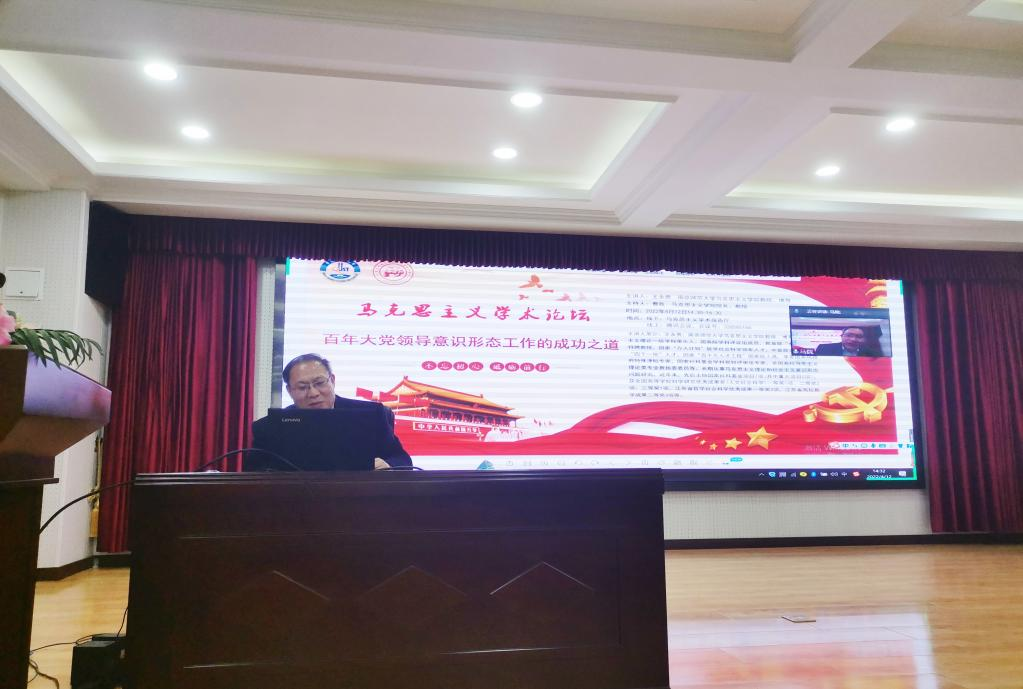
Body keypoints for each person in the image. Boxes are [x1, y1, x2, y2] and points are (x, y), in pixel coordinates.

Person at [251, 353, 412, 469]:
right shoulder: (269, 427)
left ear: (332, 381)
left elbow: (402, 460)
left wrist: (388, 465)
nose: (313, 393)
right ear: (289, 391)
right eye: (302, 387)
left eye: (319, 383)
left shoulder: (371, 415)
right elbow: (253, 474)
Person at [814, 327, 882, 357]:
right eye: (849, 335)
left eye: (859, 336)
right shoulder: (824, 348)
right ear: (841, 336)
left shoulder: (872, 353)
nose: (853, 339)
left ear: (864, 339)